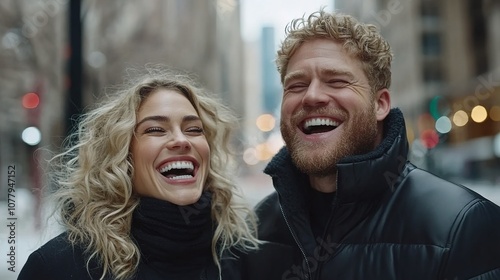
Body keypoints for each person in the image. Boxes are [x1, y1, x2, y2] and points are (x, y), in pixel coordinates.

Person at [255, 9, 500, 280]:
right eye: (296, 86)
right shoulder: (253, 230)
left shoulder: (465, 227)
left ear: (380, 104)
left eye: (336, 81)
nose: (312, 96)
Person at [18, 66, 289, 280]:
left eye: (194, 129)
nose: (181, 140)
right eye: (156, 130)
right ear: (122, 157)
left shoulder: (249, 262)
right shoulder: (57, 267)